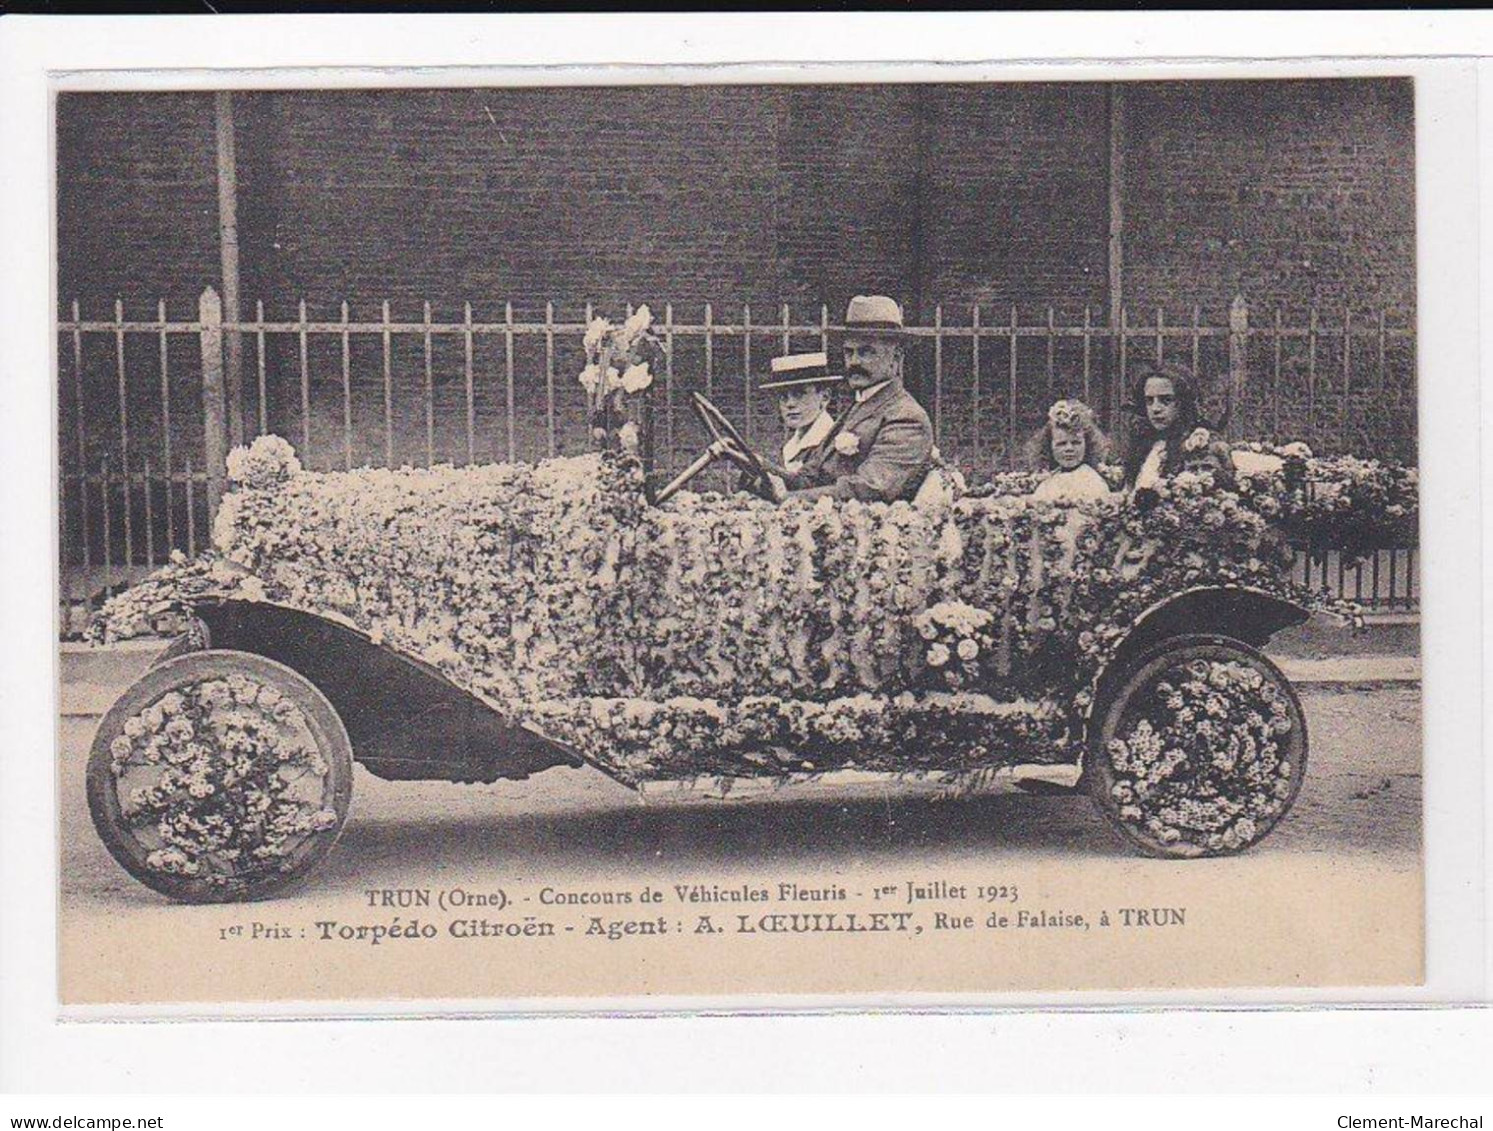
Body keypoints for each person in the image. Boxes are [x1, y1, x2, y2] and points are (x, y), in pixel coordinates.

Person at [762, 295, 934, 503]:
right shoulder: (856, 409)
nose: (854, 362)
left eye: (866, 352)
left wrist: (790, 498)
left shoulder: (906, 418)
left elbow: (871, 489)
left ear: (896, 358)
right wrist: (761, 468)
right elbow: (811, 477)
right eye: (848, 352)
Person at [1121, 362, 1236, 498]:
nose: (1155, 409)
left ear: (1183, 403)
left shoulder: (1201, 444)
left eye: (1166, 400)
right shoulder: (1144, 445)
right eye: (1149, 401)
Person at [759, 351, 842, 473]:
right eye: (783, 397)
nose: (790, 404)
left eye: (799, 394)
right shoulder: (789, 447)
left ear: (825, 397)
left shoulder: (835, 444)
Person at [1024, 399, 1112, 504]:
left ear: (1088, 444)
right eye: (1061, 444)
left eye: (1076, 443)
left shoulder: (1093, 482)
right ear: (1049, 446)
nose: (1069, 449)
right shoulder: (1048, 482)